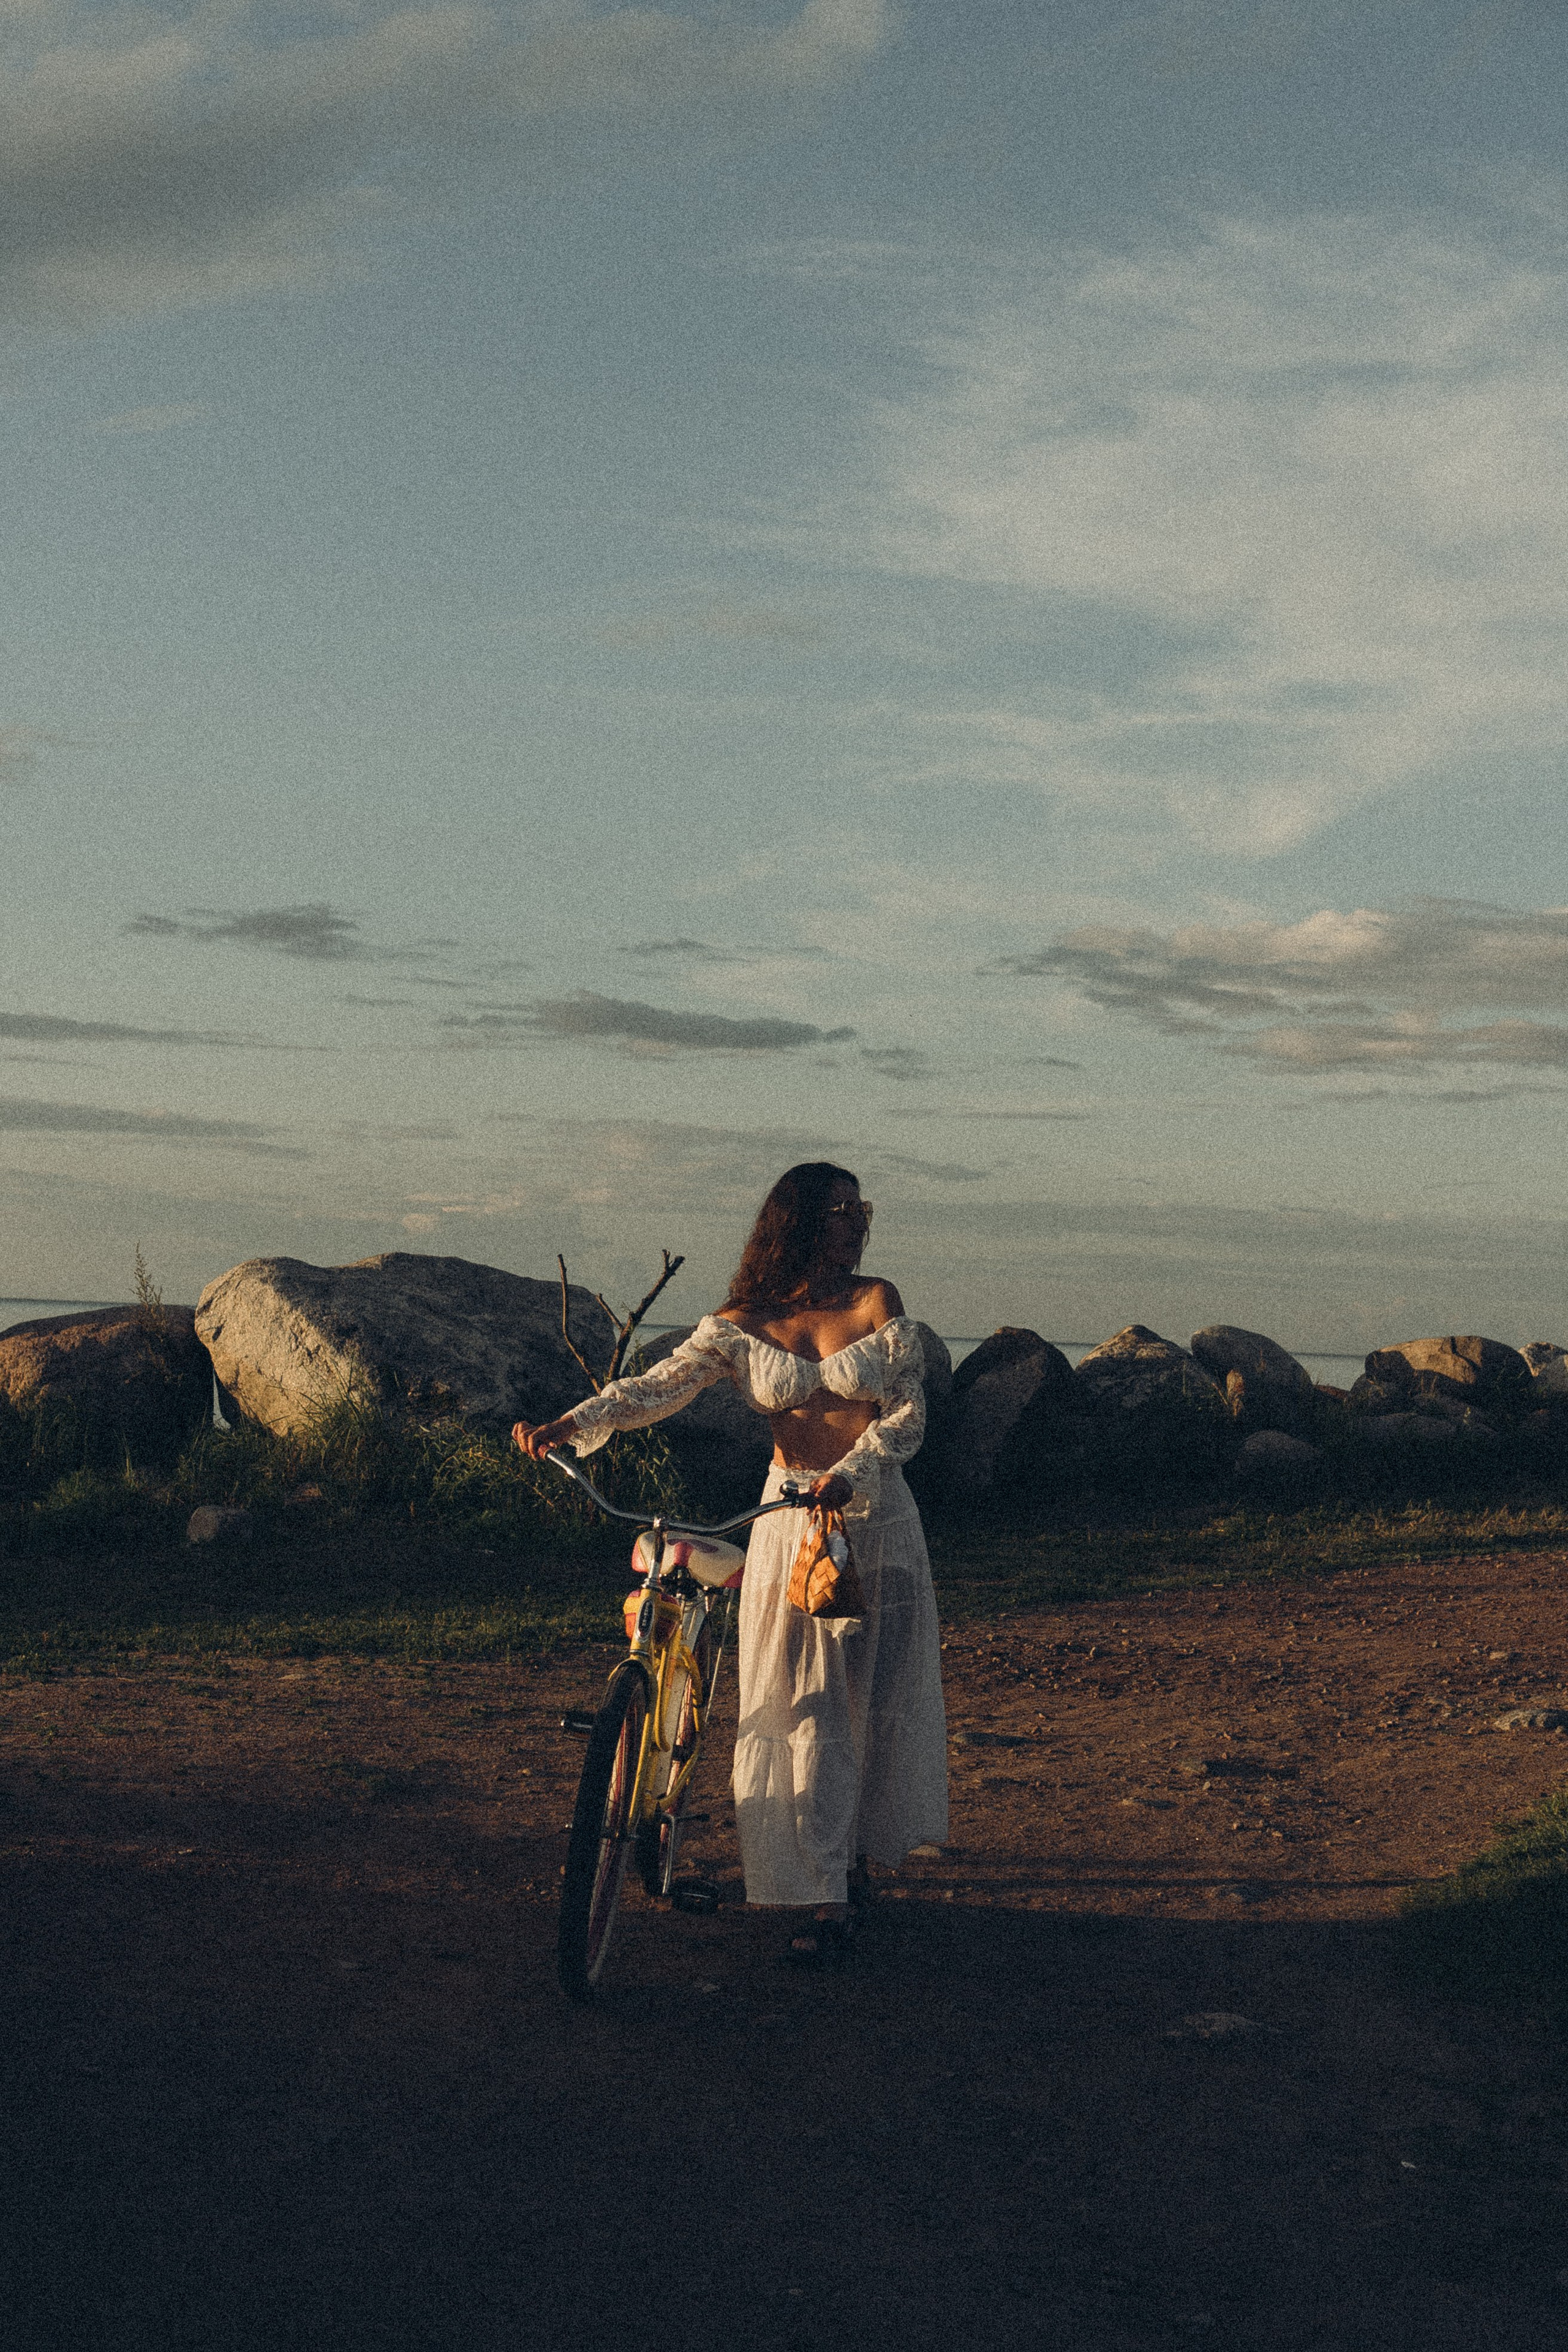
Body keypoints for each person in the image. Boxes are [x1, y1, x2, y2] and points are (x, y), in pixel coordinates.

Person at [513, 1162, 948, 1962]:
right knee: (802, 1707)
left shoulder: (876, 1301)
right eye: (843, 1210)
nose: (859, 1223)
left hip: (877, 1516)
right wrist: (567, 1425)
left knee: (869, 1701)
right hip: (789, 1518)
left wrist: (853, 1472)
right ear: (801, 1220)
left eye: (863, 1209)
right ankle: (820, 1896)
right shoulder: (741, 1321)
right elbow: (653, 1388)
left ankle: (852, 1865)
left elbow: (909, 1415)